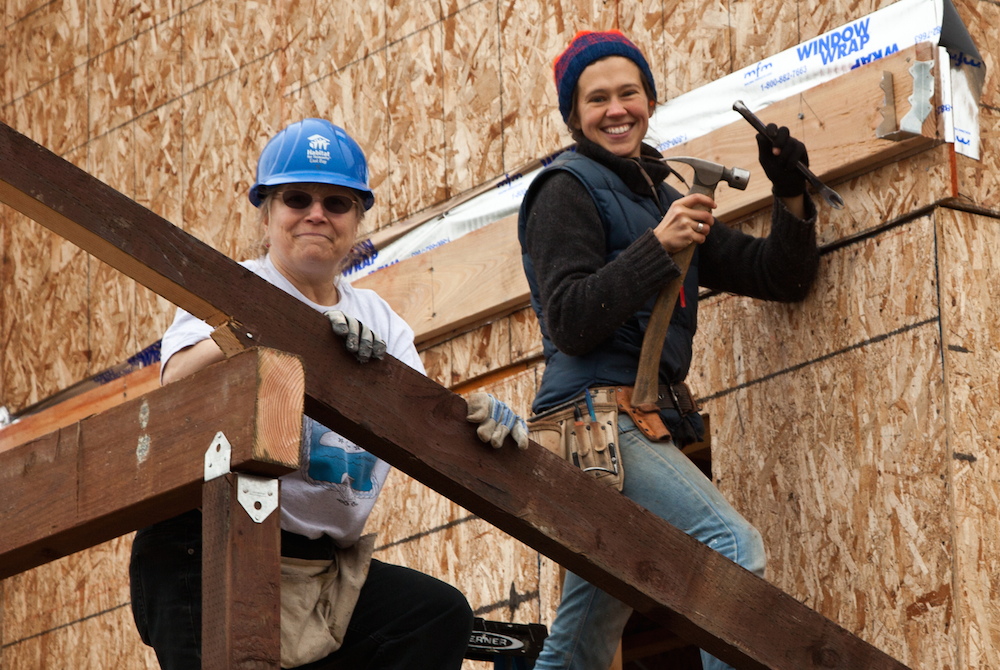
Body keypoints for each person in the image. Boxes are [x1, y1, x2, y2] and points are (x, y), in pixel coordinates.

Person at [129, 118, 525, 669]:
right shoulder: (233, 290)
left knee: (435, 615)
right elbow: (176, 384)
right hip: (203, 547)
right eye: (297, 198)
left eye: (336, 203)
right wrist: (271, 331)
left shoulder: (382, 325)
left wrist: (482, 428)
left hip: (315, 566)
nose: (317, 214)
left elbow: (423, 423)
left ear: (357, 220)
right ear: (267, 213)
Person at [516, 31, 820, 670]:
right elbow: (569, 320)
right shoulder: (563, 189)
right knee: (731, 550)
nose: (616, 109)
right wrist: (657, 247)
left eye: (629, 92)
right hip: (592, 420)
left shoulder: (659, 193)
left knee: (582, 645)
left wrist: (791, 192)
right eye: (596, 99)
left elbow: (779, 277)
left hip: (625, 421)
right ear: (575, 116)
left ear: (650, 102)